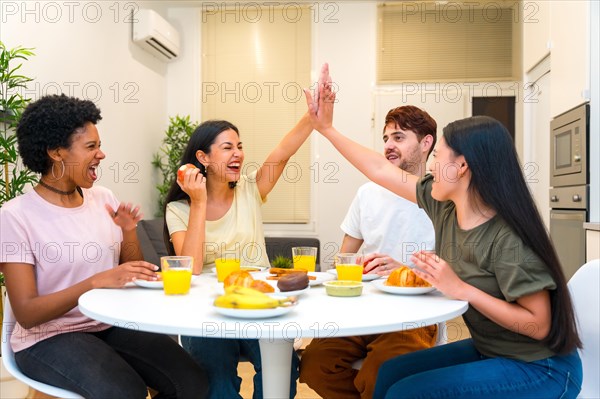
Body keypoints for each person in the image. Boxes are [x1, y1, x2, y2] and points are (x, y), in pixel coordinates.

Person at [304, 64, 583, 399]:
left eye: (438, 156)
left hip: (541, 367)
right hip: (491, 348)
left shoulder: (507, 237)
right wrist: (327, 129)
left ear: (462, 166)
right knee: (388, 376)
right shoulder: (445, 207)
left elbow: (538, 325)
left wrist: (460, 287)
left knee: (404, 392)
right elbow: (379, 169)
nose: (432, 166)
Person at [0, 94, 209, 399]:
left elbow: (131, 269)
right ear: (57, 152)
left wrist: (128, 232)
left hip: (106, 323)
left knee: (192, 382)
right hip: (47, 337)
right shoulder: (15, 216)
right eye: (91, 147)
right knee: (126, 392)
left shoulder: (104, 198)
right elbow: (28, 313)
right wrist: (95, 282)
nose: (102, 154)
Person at [163, 113, 313, 398]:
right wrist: (198, 202)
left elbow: (282, 153)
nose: (238, 154)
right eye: (228, 147)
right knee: (216, 380)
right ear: (202, 157)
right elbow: (191, 267)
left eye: (240, 146)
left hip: (260, 304)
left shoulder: (250, 189)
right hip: (209, 309)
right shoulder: (179, 210)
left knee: (281, 368)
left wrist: (313, 118)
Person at [299, 105, 438, 399]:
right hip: (362, 308)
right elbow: (342, 259)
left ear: (426, 143)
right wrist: (355, 266)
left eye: (399, 137)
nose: (388, 145)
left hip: (413, 315)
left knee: (381, 373)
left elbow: (455, 269)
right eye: (386, 138)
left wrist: (404, 270)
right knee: (313, 365)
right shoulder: (368, 193)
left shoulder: (442, 197)